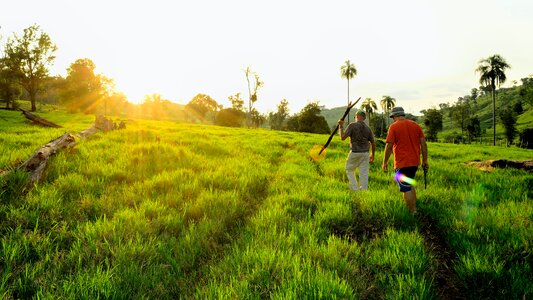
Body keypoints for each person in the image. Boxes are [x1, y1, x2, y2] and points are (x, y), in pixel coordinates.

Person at [382, 107, 429, 214]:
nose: (393, 119)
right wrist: (425, 160)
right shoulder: (416, 125)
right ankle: (414, 208)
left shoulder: (394, 126)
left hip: (402, 163)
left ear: (395, 116)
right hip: (414, 163)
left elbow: (389, 146)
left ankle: (412, 212)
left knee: (405, 188)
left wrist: (384, 162)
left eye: (393, 117)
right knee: (409, 184)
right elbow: (423, 144)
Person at [338, 110, 376, 191]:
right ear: (364, 118)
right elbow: (373, 143)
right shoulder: (368, 128)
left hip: (355, 152)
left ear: (357, 116)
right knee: (364, 174)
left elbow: (342, 137)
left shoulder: (352, 125)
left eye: (355, 117)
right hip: (366, 153)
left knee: (349, 169)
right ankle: (363, 191)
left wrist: (341, 126)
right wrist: (372, 155)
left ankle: (355, 190)